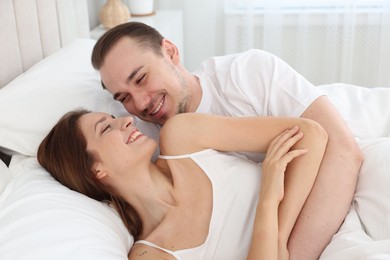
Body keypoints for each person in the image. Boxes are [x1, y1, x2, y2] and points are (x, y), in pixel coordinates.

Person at [90, 22, 364, 259]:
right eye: (123, 97)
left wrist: (280, 246)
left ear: (171, 52)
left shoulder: (247, 74)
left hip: (331, 198)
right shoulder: (141, 142)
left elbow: (343, 151)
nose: (140, 104)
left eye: (141, 78)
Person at [37, 109, 328, 259]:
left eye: (114, 117)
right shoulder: (153, 254)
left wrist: (279, 239)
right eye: (106, 128)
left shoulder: (182, 137)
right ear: (96, 170)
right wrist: (267, 198)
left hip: (331, 213)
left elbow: (310, 133)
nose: (125, 120)